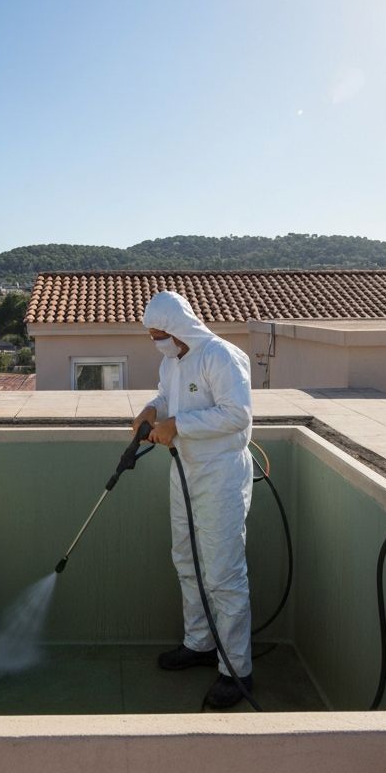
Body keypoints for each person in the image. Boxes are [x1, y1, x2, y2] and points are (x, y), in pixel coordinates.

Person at [132, 290, 254, 709]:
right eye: (152, 337)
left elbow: (238, 414)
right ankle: (199, 643)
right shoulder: (172, 361)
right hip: (184, 471)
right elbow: (167, 398)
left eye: (159, 334)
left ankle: (236, 671)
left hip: (220, 475)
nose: (157, 343)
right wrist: (151, 410)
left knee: (223, 573)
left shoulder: (221, 356)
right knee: (186, 560)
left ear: (179, 327)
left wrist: (178, 424)